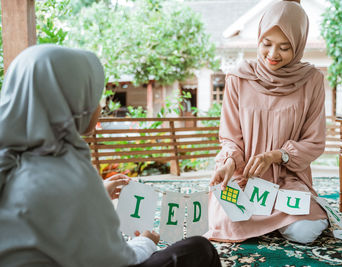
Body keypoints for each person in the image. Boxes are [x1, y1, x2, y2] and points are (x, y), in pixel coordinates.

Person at [0, 44, 221, 267]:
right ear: (73, 104)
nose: (100, 107)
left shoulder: (11, 159)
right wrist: (145, 241)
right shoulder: (66, 175)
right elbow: (114, 261)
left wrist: (97, 196)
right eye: (94, 97)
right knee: (198, 249)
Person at [206, 0, 329, 244]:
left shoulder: (311, 80)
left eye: (285, 47)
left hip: (288, 180)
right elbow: (231, 136)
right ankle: (272, 223)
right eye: (267, 44)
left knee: (306, 231)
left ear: (299, 44)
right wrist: (230, 162)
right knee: (225, 222)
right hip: (244, 178)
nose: (273, 54)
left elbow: (314, 141)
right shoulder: (238, 77)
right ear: (258, 38)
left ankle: (266, 223)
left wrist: (275, 156)